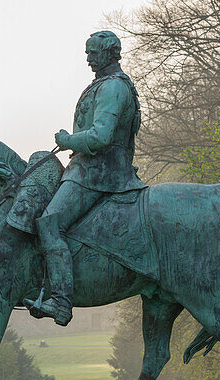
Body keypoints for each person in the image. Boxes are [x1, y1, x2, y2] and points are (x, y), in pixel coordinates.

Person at [25, 30, 145, 326]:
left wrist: (68, 140)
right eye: (87, 52)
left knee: (50, 222)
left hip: (97, 172)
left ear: (109, 53)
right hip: (92, 168)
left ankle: (61, 302)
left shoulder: (113, 87)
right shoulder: (107, 84)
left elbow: (101, 136)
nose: (88, 58)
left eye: (93, 52)